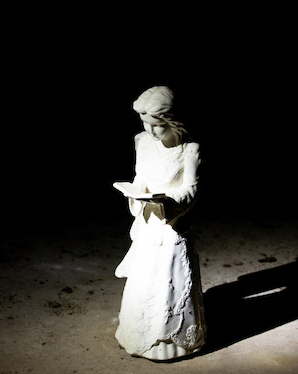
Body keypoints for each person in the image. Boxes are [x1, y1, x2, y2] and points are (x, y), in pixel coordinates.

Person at [115, 86, 206, 361]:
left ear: (173, 121)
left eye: (158, 126)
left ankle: (173, 340)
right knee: (145, 278)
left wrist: (168, 199)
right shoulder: (142, 141)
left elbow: (191, 189)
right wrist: (135, 190)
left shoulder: (189, 149)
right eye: (146, 124)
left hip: (172, 222)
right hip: (149, 220)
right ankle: (139, 333)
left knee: (170, 279)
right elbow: (141, 175)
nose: (151, 131)